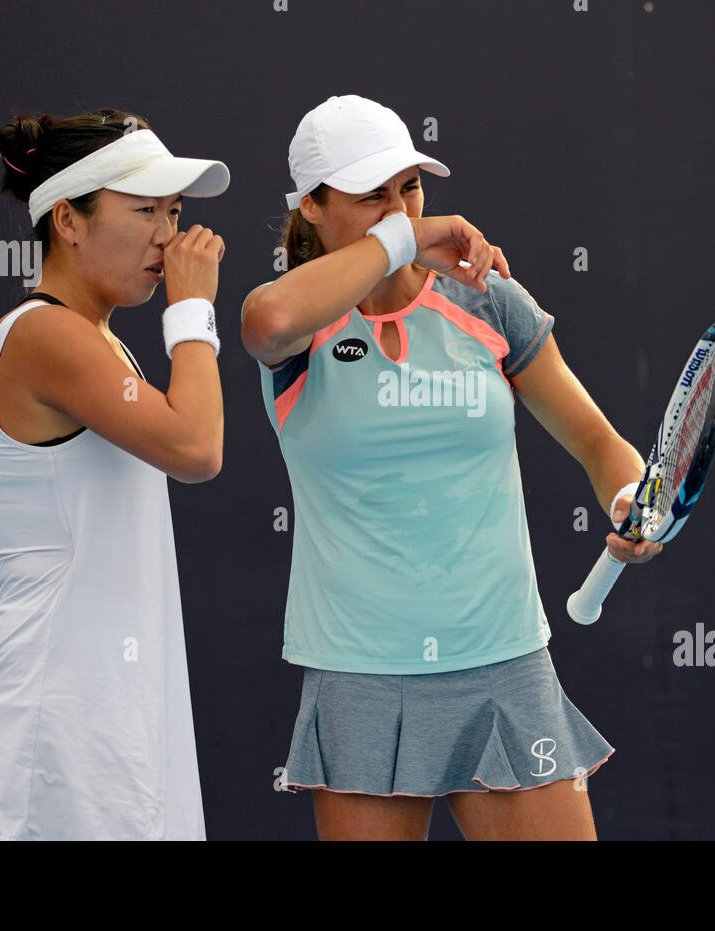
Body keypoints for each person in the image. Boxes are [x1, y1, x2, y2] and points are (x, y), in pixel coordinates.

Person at [241, 94, 661, 840]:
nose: (399, 209)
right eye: (372, 196)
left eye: (410, 188)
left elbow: (600, 442)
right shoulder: (299, 324)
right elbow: (265, 320)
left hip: (502, 662)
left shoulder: (489, 302)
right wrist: (407, 239)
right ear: (311, 206)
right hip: (359, 674)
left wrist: (629, 494)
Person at [0, 109, 227, 840]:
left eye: (175, 210)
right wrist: (192, 311)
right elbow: (196, 447)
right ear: (68, 219)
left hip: (101, 715)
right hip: (56, 726)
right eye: (145, 210)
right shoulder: (46, 334)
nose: (170, 234)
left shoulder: (94, 341)